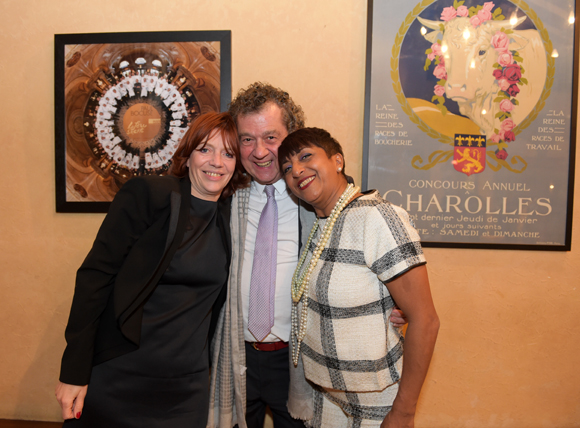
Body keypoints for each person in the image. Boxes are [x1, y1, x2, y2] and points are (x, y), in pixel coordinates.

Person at [207, 83, 408, 428]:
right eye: (247, 139)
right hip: (232, 355)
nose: (259, 152)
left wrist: (388, 301)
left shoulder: (322, 202)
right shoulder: (220, 197)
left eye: (271, 138)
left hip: (301, 363)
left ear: (292, 138)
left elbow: (358, 260)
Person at [55, 112, 249, 428]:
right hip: (120, 376)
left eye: (228, 154)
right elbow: (95, 279)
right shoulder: (149, 195)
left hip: (186, 390)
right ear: (187, 157)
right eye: (205, 149)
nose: (216, 161)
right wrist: (73, 372)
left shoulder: (231, 218)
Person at [278, 127, 440, 428]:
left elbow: (426, 320)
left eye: (305, 156)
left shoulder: (377, 217)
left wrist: (403, 412)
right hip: (326, 396)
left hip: (377, 401)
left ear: (337, 161)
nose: (297, 170)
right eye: (287, 168)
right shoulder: (320, 223)